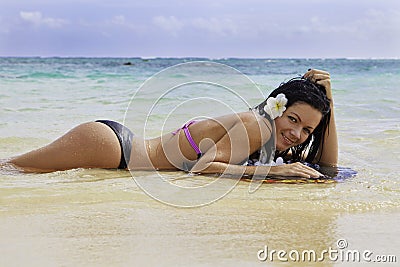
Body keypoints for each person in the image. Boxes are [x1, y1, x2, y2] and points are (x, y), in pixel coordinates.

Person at [3, 69, 337, 179]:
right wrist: (273, 172)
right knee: (11, 170)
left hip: (114, 147)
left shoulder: (258, 132)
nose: (297, 134)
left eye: (307, 130)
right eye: (293, 119)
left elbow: (328, 167)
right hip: (110, 149)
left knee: (11, 170)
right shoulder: (258, 126)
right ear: (275, 108)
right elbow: (203, 167)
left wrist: (330, 103)